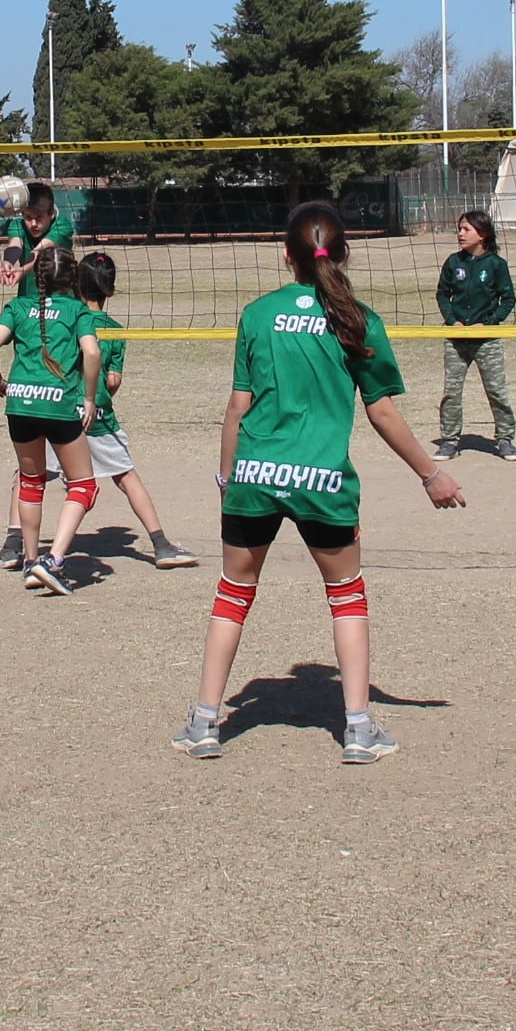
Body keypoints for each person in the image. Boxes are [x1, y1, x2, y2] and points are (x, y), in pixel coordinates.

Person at [172, 202, 464, 765]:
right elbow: (381, 413)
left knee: (233, 593)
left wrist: (228, 476)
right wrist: (432, 475)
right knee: (346, 595)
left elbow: (237, 407)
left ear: (287, 256)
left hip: (255, 475)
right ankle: (358, 728)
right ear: (345, 252)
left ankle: (205, 722)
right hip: (322, 481)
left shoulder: (258, 315)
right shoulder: (359, 318)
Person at [0, 240, 102, 592]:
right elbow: (91, 354)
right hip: (58, 404)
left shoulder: (19, 307)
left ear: (40, 278)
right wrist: (90, 399)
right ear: (73, 278)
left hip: (19, 403)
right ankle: (54, 560)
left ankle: (32, 560)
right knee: (84, 486)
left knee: (31, 482)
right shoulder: (79, 312)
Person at [70, 251, 197, 568]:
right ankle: (161, 544)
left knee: (29, 477)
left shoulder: (66, 322)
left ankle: (14, 545)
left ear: (76, 285)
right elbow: (113, 381)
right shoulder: (114, 329)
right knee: (126, 477)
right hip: (97, 417)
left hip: (59, 415)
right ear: (110, 290)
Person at [433, 208, 516, 460]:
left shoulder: (496, 265)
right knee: (451, 391)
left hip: (486, 339)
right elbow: (442, 294)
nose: (460, 233)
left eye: (466, 229)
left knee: (496, 390)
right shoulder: (453, 262)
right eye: (459, 229)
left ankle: (505, 439)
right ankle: (449, 441)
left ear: (482, 234)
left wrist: (489, 322)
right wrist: (452, 320)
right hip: (457, 339)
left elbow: (508, 299)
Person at [0, 180, 73, 290]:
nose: (33, 224)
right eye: (28, 217)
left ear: (51, 213)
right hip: (28, 302)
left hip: (61, 302)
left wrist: (23, 270)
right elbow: (15, 245)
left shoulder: (62, 226)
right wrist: (7, 262)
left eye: (39, 218)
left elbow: (40, 251)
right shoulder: (18, 225)